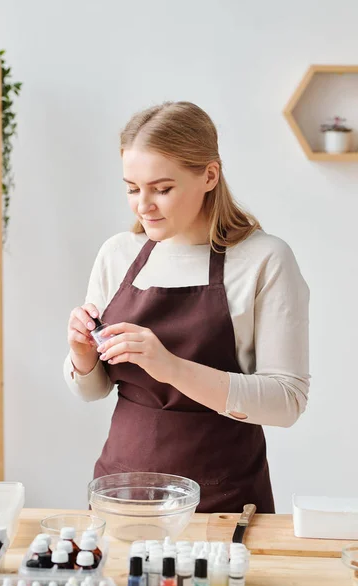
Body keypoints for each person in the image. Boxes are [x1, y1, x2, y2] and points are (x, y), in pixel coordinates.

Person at [64, 101, 310, 513]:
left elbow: (287, 402)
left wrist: (171, 367)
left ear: (209, 175)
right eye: (131, 188)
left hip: (223, 499)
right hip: (120, 495)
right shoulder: (118, 253)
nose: (144, 205)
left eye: (162, 189)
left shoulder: (265, 260)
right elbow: (95, 390)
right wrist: (82, 356)